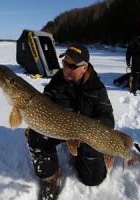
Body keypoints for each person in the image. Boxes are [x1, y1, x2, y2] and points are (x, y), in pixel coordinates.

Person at [25, 43, 115, 200]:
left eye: (72, 66)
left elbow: (107, 117)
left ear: (84, 68)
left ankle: (81, 157)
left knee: (93, 180)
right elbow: (45, 101)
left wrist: (92, 129)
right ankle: (51, 176)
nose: (66, 68)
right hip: (60, 128)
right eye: (64, 63)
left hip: (86, 135)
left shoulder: (96, 88)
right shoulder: (57, 80)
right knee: (36, 135)